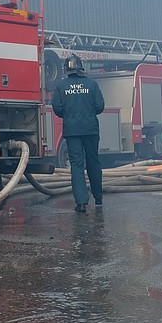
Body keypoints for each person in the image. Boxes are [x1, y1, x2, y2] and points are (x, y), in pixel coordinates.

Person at [52, 54, 106, 219]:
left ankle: (81, 203)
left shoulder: (61, 86)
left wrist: (70, 114)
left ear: (67, 69)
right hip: (90, 129)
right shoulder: (92, 84)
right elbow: (100, 106)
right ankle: (98, 198)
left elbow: (57, 108)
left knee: (76, 165)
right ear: (81, 67)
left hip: (72, 131)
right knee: (93, 162)